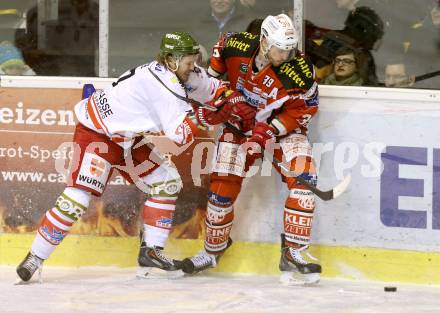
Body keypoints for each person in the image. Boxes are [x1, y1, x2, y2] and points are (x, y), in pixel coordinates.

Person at [15, 31, 255, 282]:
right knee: (77, 198)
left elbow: (214, 88)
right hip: (98, 134)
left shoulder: (182, 72)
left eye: (194, 60)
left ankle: (151, 251)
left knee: (166, 182)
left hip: (128, 140)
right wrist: (211, 116)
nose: (192, 66)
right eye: (188, 62)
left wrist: (233, 99)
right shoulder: (164, 85)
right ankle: (35, 257)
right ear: (172, 60)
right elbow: (181, 135)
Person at [181, 14, 322, 284]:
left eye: (289, 48)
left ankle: (294, 253)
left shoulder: (300, 70)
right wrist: (213, 89)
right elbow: (220, 51)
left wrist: (269, 130)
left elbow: (306, 108)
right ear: (265, 41)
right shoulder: (237, 45)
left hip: (283, 129)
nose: (285, 54)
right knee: (221, 190)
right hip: (238, 125)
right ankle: (212, 250)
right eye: (280, 48)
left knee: (304, 183)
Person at [306, 6, 384, 86]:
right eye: (373, 38)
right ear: (362, 31)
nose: (372, 44)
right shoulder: (334, 41)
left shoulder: (330, 39)